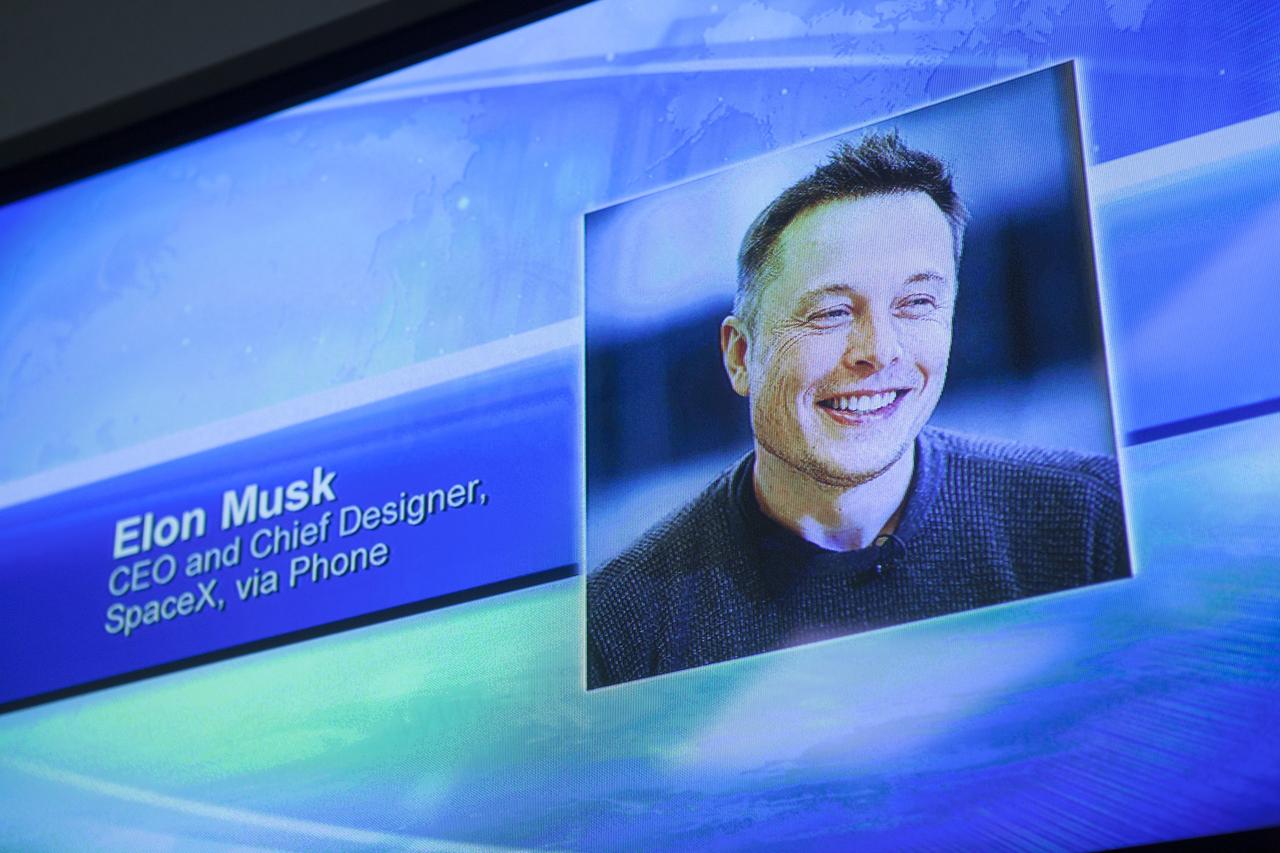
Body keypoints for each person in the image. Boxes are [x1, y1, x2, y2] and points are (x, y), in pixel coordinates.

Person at [586, 132, 1130, 689]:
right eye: (830, 313)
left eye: (916, 304)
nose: (880, 351)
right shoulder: (617, 625)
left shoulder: (1093, 521)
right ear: (741, 356)